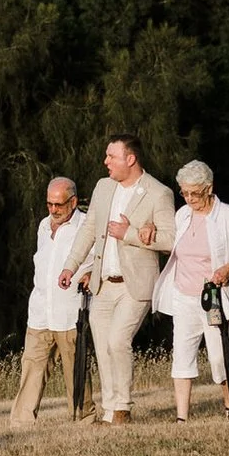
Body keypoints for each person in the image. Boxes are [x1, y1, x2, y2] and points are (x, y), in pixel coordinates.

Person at [60, 134, 177, 425]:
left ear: (130, 159)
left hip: (135, 285)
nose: (106, 162)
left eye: (112, 156)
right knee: (102, 346)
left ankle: (123, 407)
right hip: (103, 283)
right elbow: (89, 229)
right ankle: (110, 410)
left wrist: (131, 234)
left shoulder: (158, 193)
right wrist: (70, 266)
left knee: (117, 340)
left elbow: (171, 240)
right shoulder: (103, 187)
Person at [154, 162, 229, 422]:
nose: (189, 198)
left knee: (220, 358)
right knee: (182, 356)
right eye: (184, 193)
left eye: (195, 193)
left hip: (217, 297)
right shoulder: (182, 214)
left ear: (209, 188)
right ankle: (182, 417)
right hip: (183, 295)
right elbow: (173, 248)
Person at [12, 177, 87, 425]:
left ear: (73, 202)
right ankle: (20, 423)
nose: (53, 210)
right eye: (49, 204)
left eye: (59, 204)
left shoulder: (86, 226)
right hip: (40, 311)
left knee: (75, 369)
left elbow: (98, 261)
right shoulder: (44, 225)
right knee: (32, 368)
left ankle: (83, 419)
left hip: (69, 312)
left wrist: (89, 274)